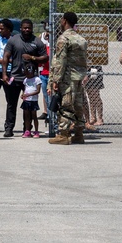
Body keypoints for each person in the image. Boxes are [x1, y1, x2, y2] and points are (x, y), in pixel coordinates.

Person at [0, 18, 47, 137]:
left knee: (29, 107)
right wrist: (4, 74)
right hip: (15, 77)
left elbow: (45, 58)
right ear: (20, 28)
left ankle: (27, 129)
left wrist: (32, 58)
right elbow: (6, 56)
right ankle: (9, 128)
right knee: (11, 104)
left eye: (29, 28)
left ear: (32, 29)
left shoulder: (37, 42)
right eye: (24, 28)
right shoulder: (13, 40)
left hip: (30, 80)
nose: (27, 30)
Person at [47, 11, 88, 145]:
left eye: (61, 20)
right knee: (78, 106)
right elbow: (83, 61)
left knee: (66, 105)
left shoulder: (64, 38)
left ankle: (63, 135)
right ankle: (79, 134)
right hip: (78, 78)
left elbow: (61, 61)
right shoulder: (81, 39)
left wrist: (56, 80)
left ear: (64, 21)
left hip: (67, 78)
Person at [20, 62, 41, 138]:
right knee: (27, 116)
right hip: (26, 100)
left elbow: (38, 91)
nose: (27, 75)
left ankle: (36, 131)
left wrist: (28, 94)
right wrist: (23, 94)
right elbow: (25, 89)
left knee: (34, 116)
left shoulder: (37, 79)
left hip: (33, 100)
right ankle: (27, 130)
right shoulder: (25, 80)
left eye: (28, 73)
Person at [83, 65, 105, 129]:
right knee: (90, 97)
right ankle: (93, 117)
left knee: (96, 96)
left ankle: (100, 118)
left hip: (94, 70)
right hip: (86, 70)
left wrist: (87, 75)